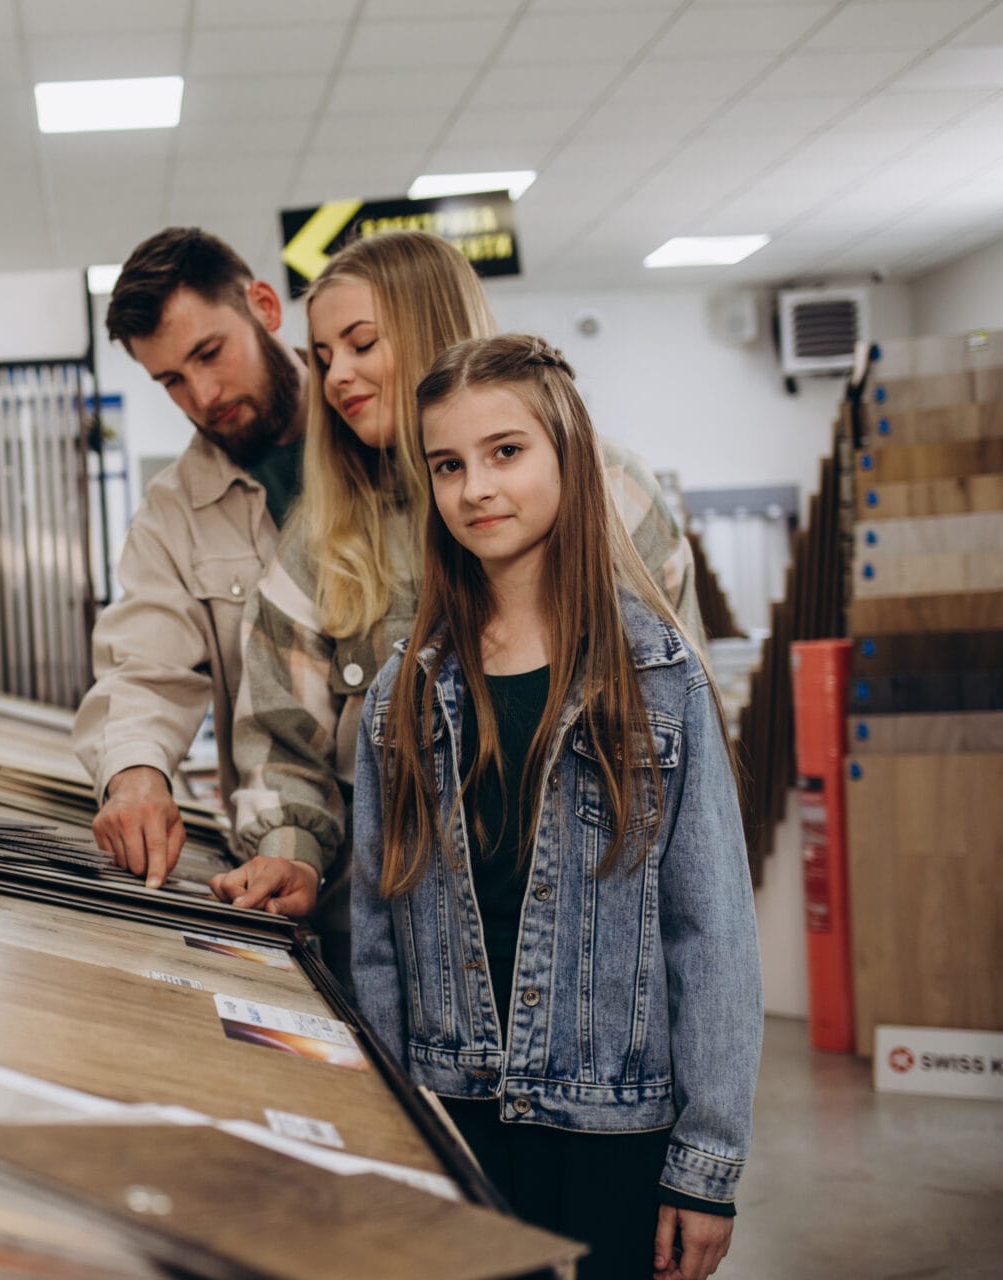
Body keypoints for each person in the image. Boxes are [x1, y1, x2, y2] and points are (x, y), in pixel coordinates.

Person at [352, 334, 761, 1280]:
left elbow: (715, 934)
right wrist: (388, 1127)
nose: (475, 489)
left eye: (506, 452)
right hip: (453, 1116)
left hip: (617, 1122)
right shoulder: (401, 696)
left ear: (568, 456)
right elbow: (378, 929)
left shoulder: (660, 680)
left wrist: (705, 1169)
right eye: (447, 465)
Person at [211, 231, 702, 946]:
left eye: (361, 343)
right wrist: (292, 855)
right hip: (411, 962)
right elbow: (281, 741)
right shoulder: (321, 548)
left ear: (432, 327)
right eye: (323, 357)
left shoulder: (614, 497)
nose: (337, 375)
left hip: (607, 951)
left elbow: (687, 731)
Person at [74, 228, 306, 887]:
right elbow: (146, 669)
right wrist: (136, 773)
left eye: (211, 353)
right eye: (171, 379)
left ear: (263, 306)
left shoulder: (383, 442)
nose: (202, 396)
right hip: (273, 871)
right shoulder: (172, 512)